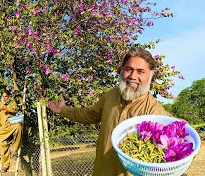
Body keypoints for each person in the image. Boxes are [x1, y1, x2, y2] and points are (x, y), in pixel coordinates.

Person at [47, 47, 171, 176]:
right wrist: (63, 110)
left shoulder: (153, 109)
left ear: (150, 75)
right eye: (128, 69)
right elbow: (89, 115)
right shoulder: (110, 96)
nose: (133, 76)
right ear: (122, 70)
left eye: (140, 71)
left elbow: (176, 132)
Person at [0, 90, 23, 173]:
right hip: (1, 129)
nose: (4, 98)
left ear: (8, 97)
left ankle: (14, 149)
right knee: (2, 145)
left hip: (10, 126)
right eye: (3, 96)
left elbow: (15, 110)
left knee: (18, 126)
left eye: (6, 96)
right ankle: (6, 165)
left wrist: (6, 108)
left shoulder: (12, 103)